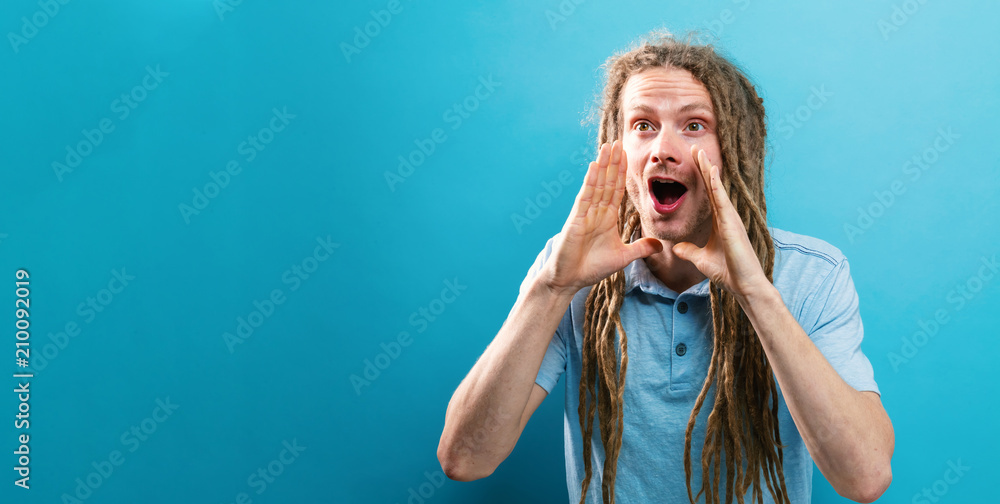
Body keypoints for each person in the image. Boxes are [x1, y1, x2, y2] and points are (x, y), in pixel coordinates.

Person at [436, 30, 894, 504]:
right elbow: (466, 459)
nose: (663, 149)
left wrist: (756, 294)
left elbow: (864, 478)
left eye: (694, 125)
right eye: (643, 125)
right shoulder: (570, 270)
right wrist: (552, 287)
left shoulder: (813, 275)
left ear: (735, 150)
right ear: (618, 149)